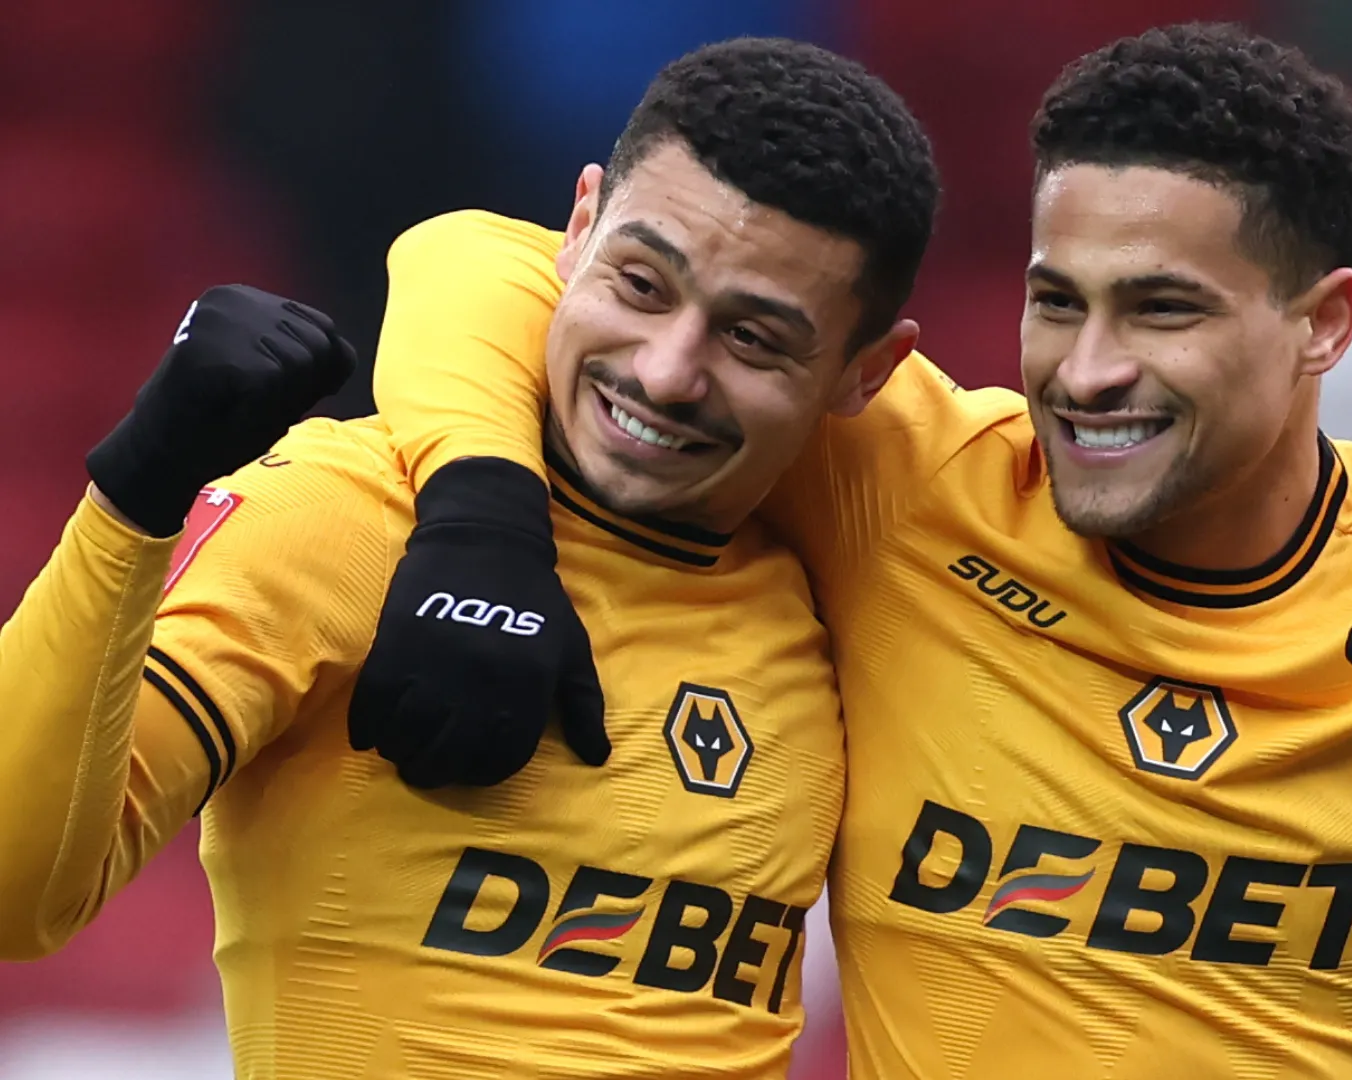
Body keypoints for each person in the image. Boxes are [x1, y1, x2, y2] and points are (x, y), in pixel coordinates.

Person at [358, 24, 1352, 1079]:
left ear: (1322, 326)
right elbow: (477, 260)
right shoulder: (914, 478)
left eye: (1161, 309)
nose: (1086, 371)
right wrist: (484, 514)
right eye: (1058, 298)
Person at [0, 38, 939, 1079]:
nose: (668, 372)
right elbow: (13, 894)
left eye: (754, 340)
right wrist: (133, 497)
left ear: (870, 372)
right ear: (576, 230)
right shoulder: (347, 516)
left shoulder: (856, 595)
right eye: (640, 283)